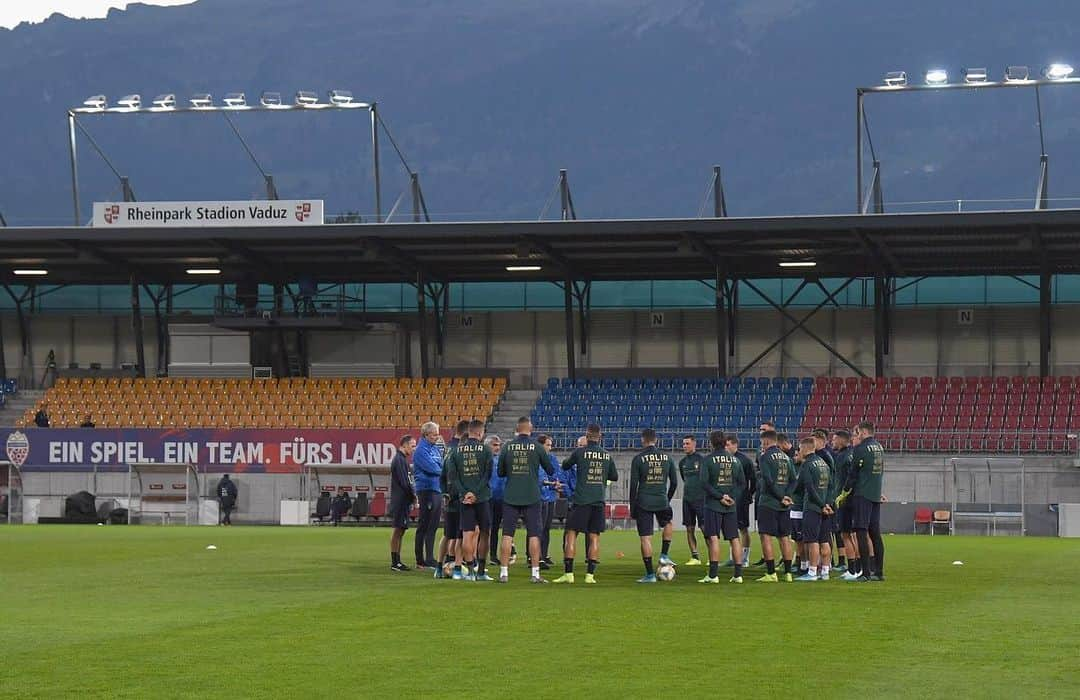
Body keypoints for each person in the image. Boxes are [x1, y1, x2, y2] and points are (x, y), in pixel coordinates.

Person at [553, 423, 618, 585]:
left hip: (581, 500)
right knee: (594, 537)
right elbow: (614, 476)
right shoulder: (606, 455)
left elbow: (566, 465)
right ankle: (590, 576)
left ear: (587, 436)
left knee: (571, 534)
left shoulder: (579, 452)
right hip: (598, 500)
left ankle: (569, 574)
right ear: (600, 437)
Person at [497, 416, 554, 583]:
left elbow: (500, 473)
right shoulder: (537, 447)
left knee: (507, 534)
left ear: (517, 428)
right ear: (530, 428)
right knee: (534, 534)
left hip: (511, 495)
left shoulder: (507, 446)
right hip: (532, 496)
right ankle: (535, 574)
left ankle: (503, 573)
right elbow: (549, 470)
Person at [839, 421, 886, 582]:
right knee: (875, 533)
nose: (855, 435)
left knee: (861, 531)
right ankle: (878, 572)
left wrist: (844, 492)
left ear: (863, 432)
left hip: (862, 494)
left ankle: (865, 572)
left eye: (857, 432)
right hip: (875, 494)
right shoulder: (879, 447)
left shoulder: (860, 449)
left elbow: (853, 474)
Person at [449, 419, 495, 581]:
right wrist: (475, 493)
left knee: (467, 535)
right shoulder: (486, 450)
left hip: (464, 500)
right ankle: (481, 571)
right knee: (484, 534)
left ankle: (469, 572)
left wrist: (465, 493)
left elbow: (453, 478)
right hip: (482, 498)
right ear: (480, 433)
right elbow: (487, 475)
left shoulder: (456, 451)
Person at [629, 428, 678, 583]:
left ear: (643, 440)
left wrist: (633, 506)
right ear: (656, 440)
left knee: (645, 538)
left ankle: (650, 575)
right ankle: (664, 554)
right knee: (668, 523)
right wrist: (667, 498)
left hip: (644, 501)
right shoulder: (667, 458)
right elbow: (675, 483)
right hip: (661, 499)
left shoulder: (638, 459)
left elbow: (633, 486)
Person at [699, 430, 746, 584]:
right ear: (725, 442)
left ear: (711, 443)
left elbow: (704, 483)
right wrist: (731, 497)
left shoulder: (707, 460)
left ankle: (713, 576)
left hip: (713, 504)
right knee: (734, 538)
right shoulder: (735, 460)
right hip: (731, 506)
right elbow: (742, 484)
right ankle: (738, 575)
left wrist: (720, 497)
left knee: (713, 538)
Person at [755, 430, 795, 582]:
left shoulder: (765, 457)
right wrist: (787, 496)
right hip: (784, 505)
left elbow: (767, 479)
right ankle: (788, 573)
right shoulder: (786, 457)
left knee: (765, 536)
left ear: (765, 442)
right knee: (784, 537)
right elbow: (793, 480)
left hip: (769, 502)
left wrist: (779, 496)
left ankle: (771, 573)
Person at [792, 437, 834, 581]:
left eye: (800, 448)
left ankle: (812, 572)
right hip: (825, 507)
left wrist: (821, 505)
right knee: (824, 540)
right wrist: (827, 504)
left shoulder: (807, 464)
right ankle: (825, 572)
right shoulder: (823, 463)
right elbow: (831, 487)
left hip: (812, 507)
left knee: (812, 540)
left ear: (804, 448)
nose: (799, 451)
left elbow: (807, 487)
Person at [412, 421, 444, 569]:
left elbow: (441, 465)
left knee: (433, 525)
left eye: (437, 434)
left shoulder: (435, 449)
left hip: (436, 489)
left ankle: (429, 557)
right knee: (424, 524)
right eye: (434, 434)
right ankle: (421, 559)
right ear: (426, 435)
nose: (437, 437)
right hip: (426, 490)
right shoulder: (420, 450)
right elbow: (434, 469)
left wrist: (441, 469)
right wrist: (442, 470)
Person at [725, 435, 755, 568]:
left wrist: (748, 494)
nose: (726, 448)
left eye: (728, 445)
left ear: (735, 445)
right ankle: (733, 557)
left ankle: (745, 558)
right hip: (728, 499)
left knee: (743, 528)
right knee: (731, 529)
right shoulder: (725, 460)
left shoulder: (744, 460)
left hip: (741, 500)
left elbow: (752, 480)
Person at [389, 434, 416, 571]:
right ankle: (395, 562)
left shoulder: (402, 460)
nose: (414, 449)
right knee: (398, 530)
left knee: (401, 530)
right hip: (400, 500)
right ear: (404, 445)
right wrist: (413, 496)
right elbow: (405, 483)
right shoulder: (399, 460)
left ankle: (397, 561)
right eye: (412, 446)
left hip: (403, 500)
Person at [678, 434, 706, 566]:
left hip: (700, 499)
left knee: (705, 527)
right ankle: (695, 556)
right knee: (689, 528)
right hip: (687, 499)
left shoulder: (701, 460)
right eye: (683, 444)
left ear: (694, 444)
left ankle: (712, 555)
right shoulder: (682, 462)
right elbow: (685, 479)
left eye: (687, 443)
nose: (685, 446)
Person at [829, 430, 854, 571]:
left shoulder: (844, 457)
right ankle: (854, 566)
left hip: (844, 500)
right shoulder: (849, 454)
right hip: (849, 499)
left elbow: (848, 479)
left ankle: (852, 568)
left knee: (846, 534)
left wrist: (842, 495)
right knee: (849, 533)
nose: (832, 442)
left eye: (834, 439)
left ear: (842, 440)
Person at [536, 434, 560, 569]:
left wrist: (554, 482)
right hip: (538, 496)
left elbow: (556, 473)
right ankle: (533, 556)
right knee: (536, 528)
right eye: (548, 445)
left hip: (550, 496)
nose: (550, 448)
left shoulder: (552, 458)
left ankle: (543, 555)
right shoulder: (535, 458)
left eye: (550, 445)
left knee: (546, 528)